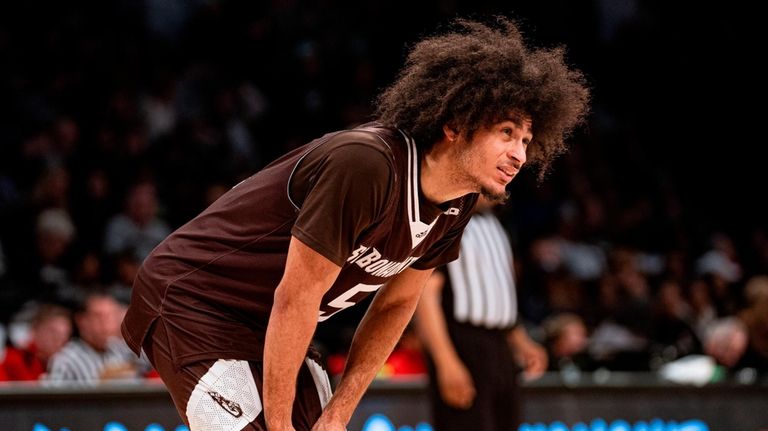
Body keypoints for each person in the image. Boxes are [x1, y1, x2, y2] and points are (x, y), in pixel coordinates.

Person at [121, 17, 589, 431]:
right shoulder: (366, 165)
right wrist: (281, 424)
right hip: (194, 300)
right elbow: (296, 295)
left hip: (268, 325)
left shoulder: (457, 201)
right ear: (456, 125)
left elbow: (395, 306)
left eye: (527, 139)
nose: (520, 155)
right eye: (506, 133)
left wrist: (340, 412)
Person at [414, 196, 548, 431]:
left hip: (500, 346)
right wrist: (446, 361)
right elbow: (425, 297)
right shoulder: (446, 220)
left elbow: (498, 290)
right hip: (462, 344)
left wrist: (522, 341)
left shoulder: (496, 223)